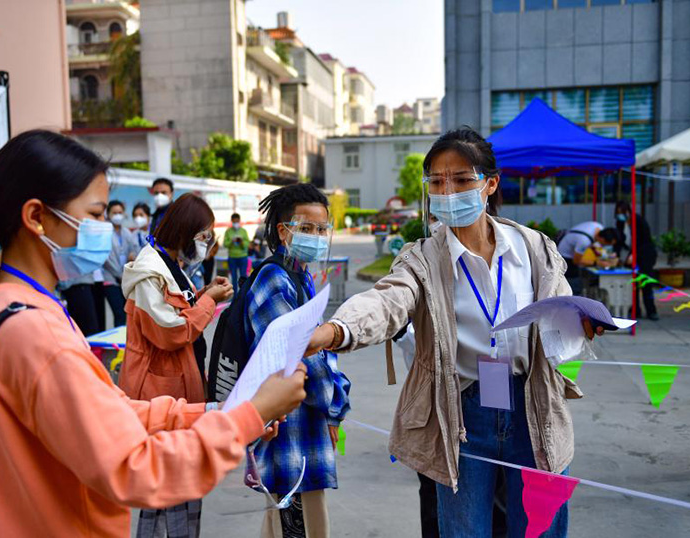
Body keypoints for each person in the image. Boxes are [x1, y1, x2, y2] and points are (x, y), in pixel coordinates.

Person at [0, 129, 307, 537]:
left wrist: (215, 412)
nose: (106, 227)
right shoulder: (34, 330)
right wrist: (248, 417)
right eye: (97, 214)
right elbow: (136, 467)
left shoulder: (4, 301)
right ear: (36, 217)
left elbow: (107, 408)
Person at [307, 128, 605, 538]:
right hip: (462, 413)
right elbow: (388, 300)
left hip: (534, 405)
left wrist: (581, 322)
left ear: (490, 183)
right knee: (464, 531)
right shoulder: (422, 258)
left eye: (462, 179)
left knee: (540, 528)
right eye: (437, 181)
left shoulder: (533, 248)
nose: (448, 191)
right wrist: (336, 329)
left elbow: (561, 308)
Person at [119, 193, 234, 538]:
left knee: (181, 481)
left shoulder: (171, 267)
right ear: (184, 232)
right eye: (202, 236)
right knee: (163, 485)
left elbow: (179, 311)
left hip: (179, 385)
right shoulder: (148, 273)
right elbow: (170, 331)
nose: (206, 245)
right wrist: (209, 302)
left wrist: (203, 294)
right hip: (158, 394)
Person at [247, 184, 351, 538]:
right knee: (296, 525)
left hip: (304, 428)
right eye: (307, 228)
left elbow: (322, 349)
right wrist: (335, 404)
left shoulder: (299, 274)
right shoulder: (274, 279)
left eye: (323, 229)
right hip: (290, 430)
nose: (317, 236)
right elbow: (301, 357)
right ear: (283, 230)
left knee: (291, 524)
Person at [615, 201, 658, 321]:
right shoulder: (620, 223)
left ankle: (651, 310)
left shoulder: (638, 221)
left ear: (628, 211)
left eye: (622, 213)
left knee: (645, 283)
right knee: (632, 284)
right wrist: (616, 255)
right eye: (618, 213)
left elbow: (644, 240)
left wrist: (635, 254)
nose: (620, 215)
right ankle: (635, 309)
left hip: (645, 254)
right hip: (630, 254)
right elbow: (619, 240)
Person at [557, 221, 619, 295]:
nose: (606, 246)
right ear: (602, 239)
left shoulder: (598, 227)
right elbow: (576, 261)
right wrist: (598, 263)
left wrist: (597, 253)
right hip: (565, 256)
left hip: (570, 244)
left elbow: (593, 243)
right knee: (574, 285)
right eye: (607, 244)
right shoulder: (584, 241)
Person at [104, 200, 136, 327]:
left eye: (120, 212)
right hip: (110, 279)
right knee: (119, 313)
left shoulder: (126, 232)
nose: (117, 215)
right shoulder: (106, 232)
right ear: (108, 214)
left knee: (127, 313)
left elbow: (133, 249)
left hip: (125, 279)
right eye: (114, 212)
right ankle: (118, 344)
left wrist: (132, 256)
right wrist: (121, 275)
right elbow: (108, 259)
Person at [224, 213, 250, 292]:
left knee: (243, 277)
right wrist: (232, 241)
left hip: (243, 257)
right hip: (232, 258)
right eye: (234, 222)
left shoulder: (243, 231)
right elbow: (225, 244)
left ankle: (243, 294)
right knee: (234, 278)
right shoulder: (228, 232)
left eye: (237, 221)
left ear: (239, 221)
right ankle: (234, 297)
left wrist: (241, 242)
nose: (236, 223)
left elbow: (247, 244)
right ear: (232, 221)